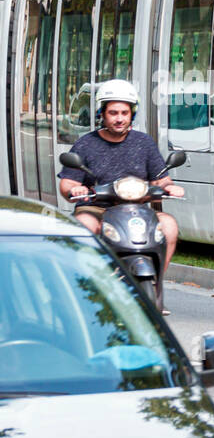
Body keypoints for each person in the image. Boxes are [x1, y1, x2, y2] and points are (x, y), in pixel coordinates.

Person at [57, 79, 185, 288]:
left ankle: (156, 284)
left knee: (169, 225)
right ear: (102, 114)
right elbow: (68, 183)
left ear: (131, 114)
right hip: (96, 208)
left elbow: (160, 177)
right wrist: (74, 188)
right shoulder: (86, 144)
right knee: (84, 226)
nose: (119, 119)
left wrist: (169, 186)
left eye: (124, 113)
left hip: (136, 210)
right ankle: (87, 282)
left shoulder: (143, 143)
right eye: (113, 113)